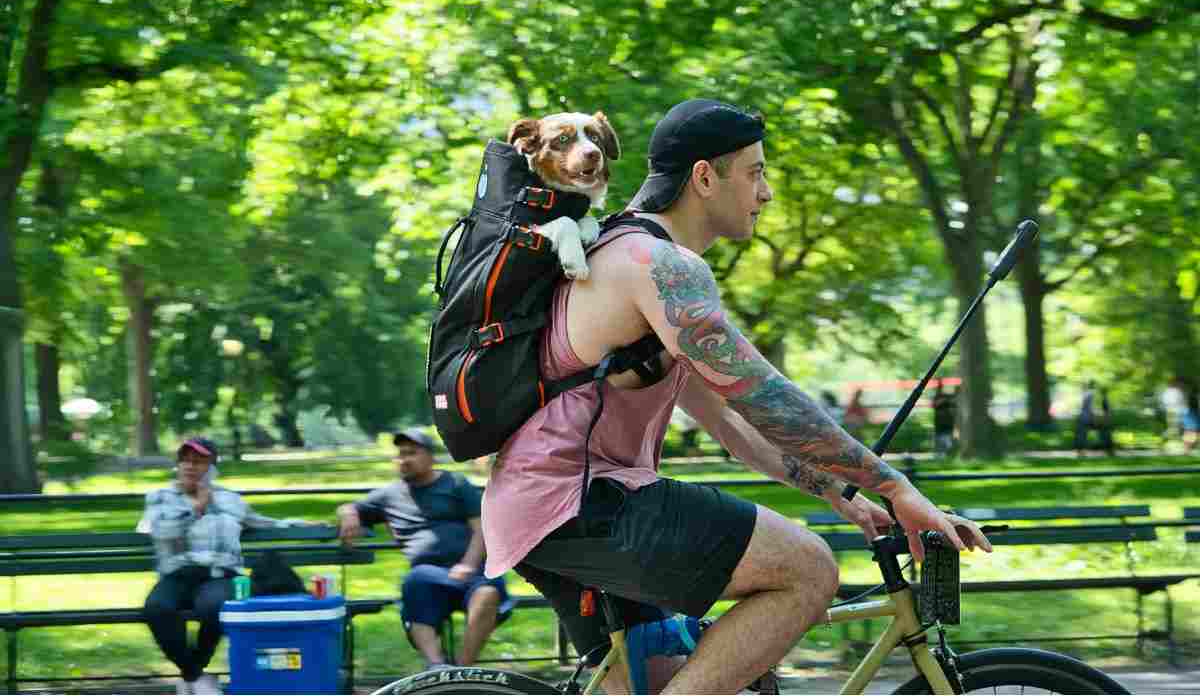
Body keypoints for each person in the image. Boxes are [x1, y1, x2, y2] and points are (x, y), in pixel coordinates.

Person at [481, 99, 992, 694]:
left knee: (660, 676)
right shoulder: (656, 263)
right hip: (579, 502)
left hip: (542, 508)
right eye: (755, 172)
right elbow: (761, 396)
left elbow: (729, 421)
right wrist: (896, 486)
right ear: (704, 177)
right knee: (807, 568)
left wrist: (846, 494)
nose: (766, 192)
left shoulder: (624, 249)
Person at [139, 438, 312, 696]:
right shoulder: (160, 497)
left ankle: (193, 677)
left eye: (199, 461)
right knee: (156, 608)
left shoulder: (230, 499)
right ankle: (195, 675)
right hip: (178, 574)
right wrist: (196, 508)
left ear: (213, 468)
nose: (190, 466)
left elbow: (263, 522)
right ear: (177, 465)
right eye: (185, 460)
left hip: (220, 574)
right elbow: (161, 532)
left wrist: (306, 526)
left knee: (215, 607)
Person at [336, 429, 513, 668]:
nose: (404, 459)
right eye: (400, 454)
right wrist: (348, 514)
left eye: (412, 453)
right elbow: (352, 507)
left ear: (430, 457)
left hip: (473, 570)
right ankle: (436, 666)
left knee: (488, 594)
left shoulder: (456, 484)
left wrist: (468, 564)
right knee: (414, 582)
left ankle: (463, 669)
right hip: (427, 574)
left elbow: (481, 528)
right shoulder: (389, 495)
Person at [931, 382, 956, 455]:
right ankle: (940, 454)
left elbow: (953, 404)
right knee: (940, 438)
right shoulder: (938, 397)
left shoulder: (947, 397)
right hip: (940, 421)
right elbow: (934, 405)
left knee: (947, 437)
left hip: (947, 421)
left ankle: (947, 453)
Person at [1074, 380, 1097, 453]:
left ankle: (1081, 449)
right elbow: (1089, 406)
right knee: (1083, 433)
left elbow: (1086, 406)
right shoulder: (1090, 394)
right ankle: (1081, 449)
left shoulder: (1086, 394)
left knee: (1082, 433)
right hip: (1086, 417)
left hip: (1083, 416)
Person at [1181, 389, 1200, 454]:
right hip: (1194, 427)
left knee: (1188, 439)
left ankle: (1186, 451)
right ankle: (1187, 450)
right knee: (1190, 438)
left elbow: (1183, 418)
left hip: (1190, 427)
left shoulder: (1186, 410)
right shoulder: (1195, 411)